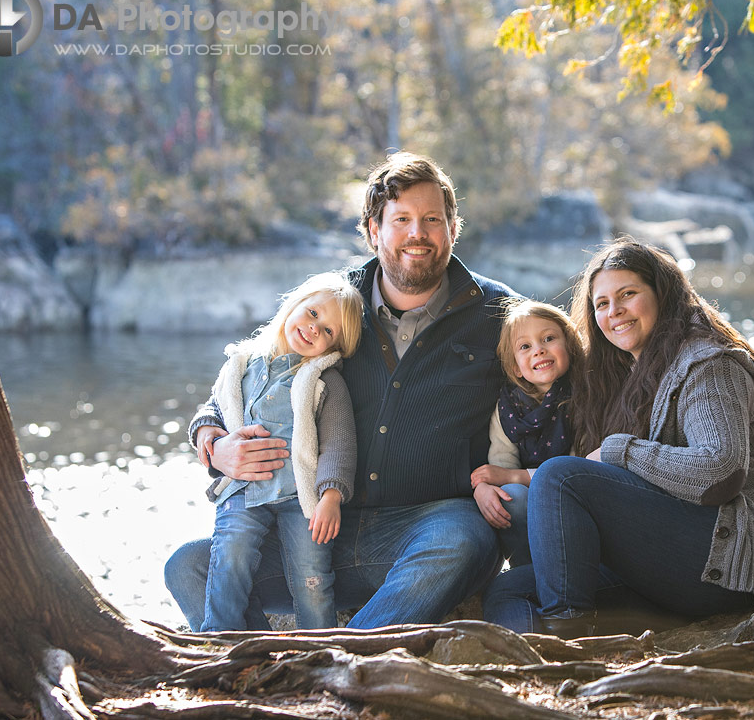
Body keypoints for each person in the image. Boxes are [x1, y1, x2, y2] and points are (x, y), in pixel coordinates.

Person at [165, 151, 517, 631]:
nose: (418, 233)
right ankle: (254, 659)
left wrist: (513, 478)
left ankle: (341, 657)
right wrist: (212, 443)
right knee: (188, 566)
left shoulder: (499, 314)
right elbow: (252, 368)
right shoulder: (333, 304)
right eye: (402, 220)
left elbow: (550, 396)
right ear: (373, 230)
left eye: (433, 219)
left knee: (462, 541)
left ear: (453, 228)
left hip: (425, 529)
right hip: (311, 527)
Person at [483, 238, 754, 637]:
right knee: (507, 589)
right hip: (665, 561)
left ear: (661, 294)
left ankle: (570, 636)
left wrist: (620, 450)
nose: (614, 312)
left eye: (627, 295)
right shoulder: (627, 372)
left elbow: (720, 470)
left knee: (559, 476)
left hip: (727, 562)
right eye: (602, 304)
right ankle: (537, 666)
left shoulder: (707, 363)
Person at [200, 273, 362, 631]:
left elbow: (339, 442)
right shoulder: (243, 363)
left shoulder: (324, 381)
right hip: (244, 487)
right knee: (230, 556)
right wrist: (207, 433)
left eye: (329, 332)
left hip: (300, 498)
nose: (315, 329)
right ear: (293, 305)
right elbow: (216, 404)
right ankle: (221, 640)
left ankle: (318, 650)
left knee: (312, 578)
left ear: (335, 349)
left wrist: (331, 496)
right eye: (313, 313)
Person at [471, 300, 582, 567]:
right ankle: (527, 569)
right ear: (515, 367)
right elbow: (501, 464)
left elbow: (581, 467)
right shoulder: (509, 407)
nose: (539, 350)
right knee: (510, 498)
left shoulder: (583, 395)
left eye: (549, 338)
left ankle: (568, 567)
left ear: (569, 344)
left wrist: (514, 476)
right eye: (525, 347)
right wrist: (486, 488)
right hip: (529, 496)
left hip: (575, 499)